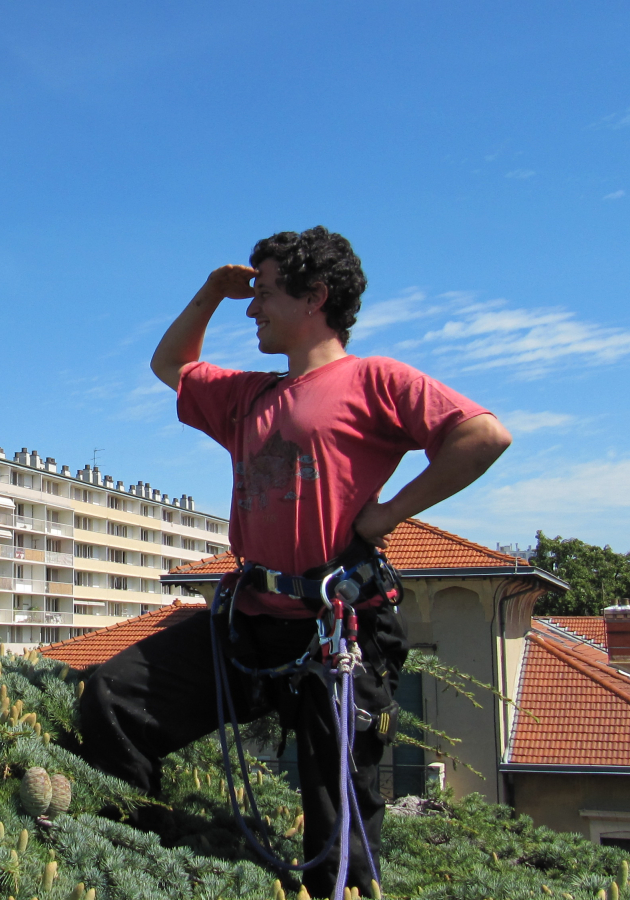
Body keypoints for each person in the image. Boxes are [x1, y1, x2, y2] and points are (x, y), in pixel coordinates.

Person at [77, 227, 511, 899]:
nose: (252, 310)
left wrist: (390, 513)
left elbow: (483, 436)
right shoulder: (249, 395)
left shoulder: (375, 380)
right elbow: (170, 366)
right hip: (249, 620)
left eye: (266, 294)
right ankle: (140, 868)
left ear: (316, 297)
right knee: (112, 700)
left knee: (337, 835)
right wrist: (210, 295)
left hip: (340, 631)